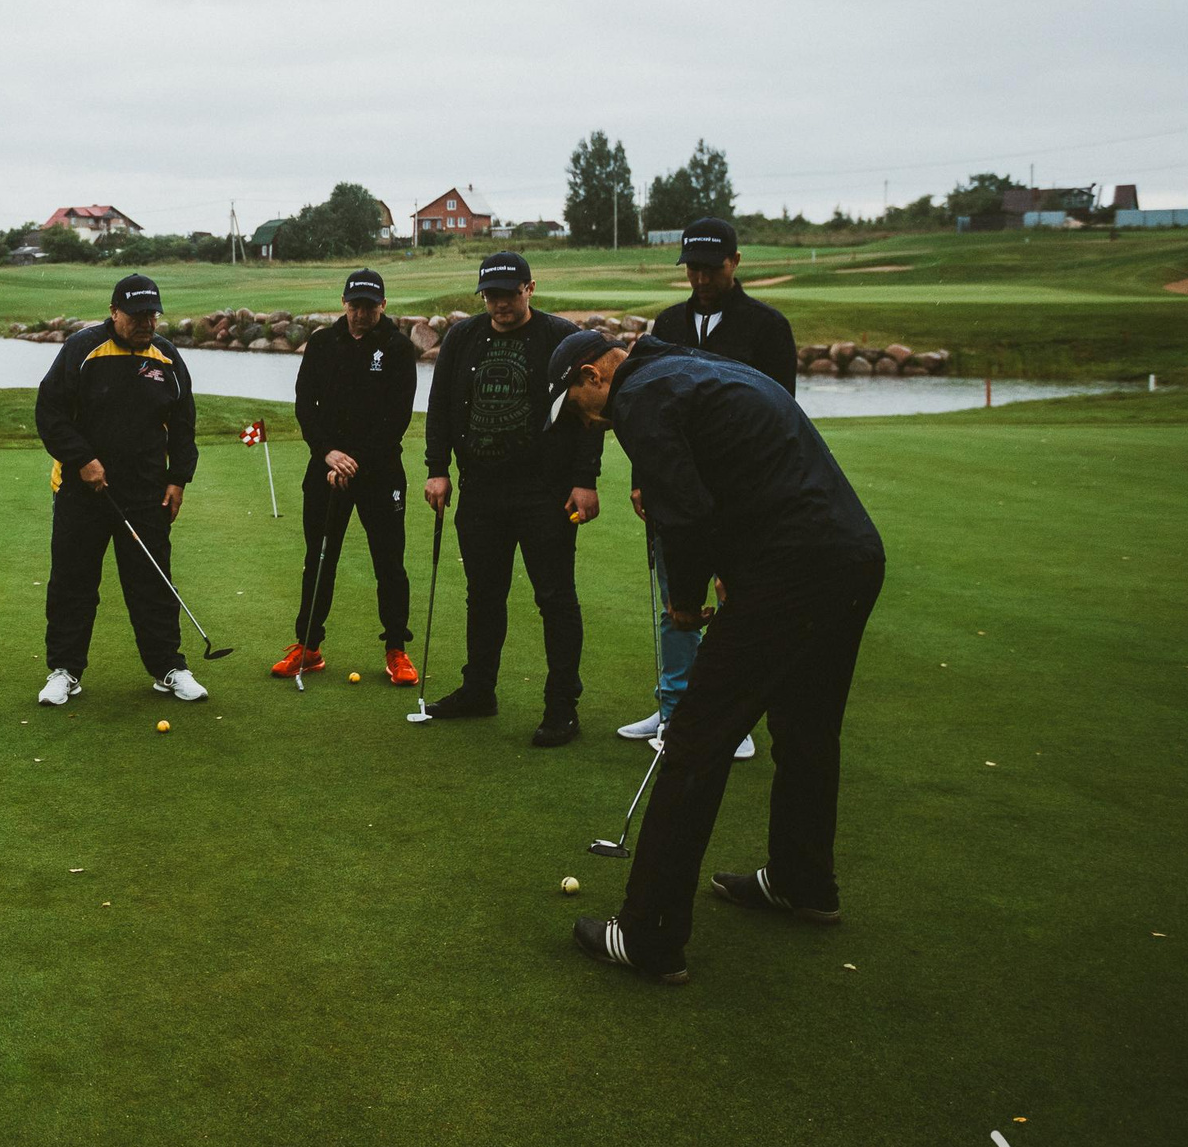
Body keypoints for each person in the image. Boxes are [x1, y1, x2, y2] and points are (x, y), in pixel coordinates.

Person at [547, 329, 885, 983]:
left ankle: (648, 935)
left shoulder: (641, 394)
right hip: (848, 559)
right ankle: (802, 882)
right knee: (806, 726)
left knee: (696, 741)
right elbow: (726, 474)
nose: (587, 422)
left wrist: (684, 601)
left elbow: (688, 513)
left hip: (791, 572)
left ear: (592, 375)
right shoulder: (682, 366)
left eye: (578, 407)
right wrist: (736, 561)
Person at [618, 216, 799, 756]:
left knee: (735, 603)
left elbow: (780, 417)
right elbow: (646, 408)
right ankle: (675, 706)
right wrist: (642, 479)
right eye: (691, 268)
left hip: (741, 492)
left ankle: (732, 721)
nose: (698, 279)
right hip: (675, 486)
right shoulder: (669, 323)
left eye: (709, 268)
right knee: (676, 598)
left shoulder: (767, 328)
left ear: (735, 263)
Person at [418, 250, 604, 746]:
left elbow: (590, 414)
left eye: (509, 293)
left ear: (530, 288)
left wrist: (586, 479)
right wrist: (437, 469)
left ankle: (562, 706)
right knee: (482, 597)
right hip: (480, 491)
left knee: (555, 599)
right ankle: (479, 690)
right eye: (491, 295)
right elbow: (439, 408)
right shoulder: (462, 337)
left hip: (545, 492)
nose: (500, 304)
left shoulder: (561, 337)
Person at [32, 273, 208, 706]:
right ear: (114, 312)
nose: (146, 323)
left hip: (146, 493)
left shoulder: (166, 357)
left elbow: (184, 425)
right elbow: (50, 413)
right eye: (136, 315)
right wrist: (82, 460)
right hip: (82, 491)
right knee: (74, 582)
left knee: (152, 582)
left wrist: (178, 479)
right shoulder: (83, 349)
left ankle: (168, 668)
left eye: (152, 315)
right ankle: (65, 670)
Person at [274, 268, 420, 686]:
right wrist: (328, 455)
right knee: (318, 561)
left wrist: (352, 461)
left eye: (369, 306)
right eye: (355, 305)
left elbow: (397, 417)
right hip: (325, 469)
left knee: (389, 563)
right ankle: (308, 647)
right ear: (343, 303)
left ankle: (396, 649)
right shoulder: (322, 343)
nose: (361, 313)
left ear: (383, 306)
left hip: (380, 473)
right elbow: (306, 405)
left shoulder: (396, 347)